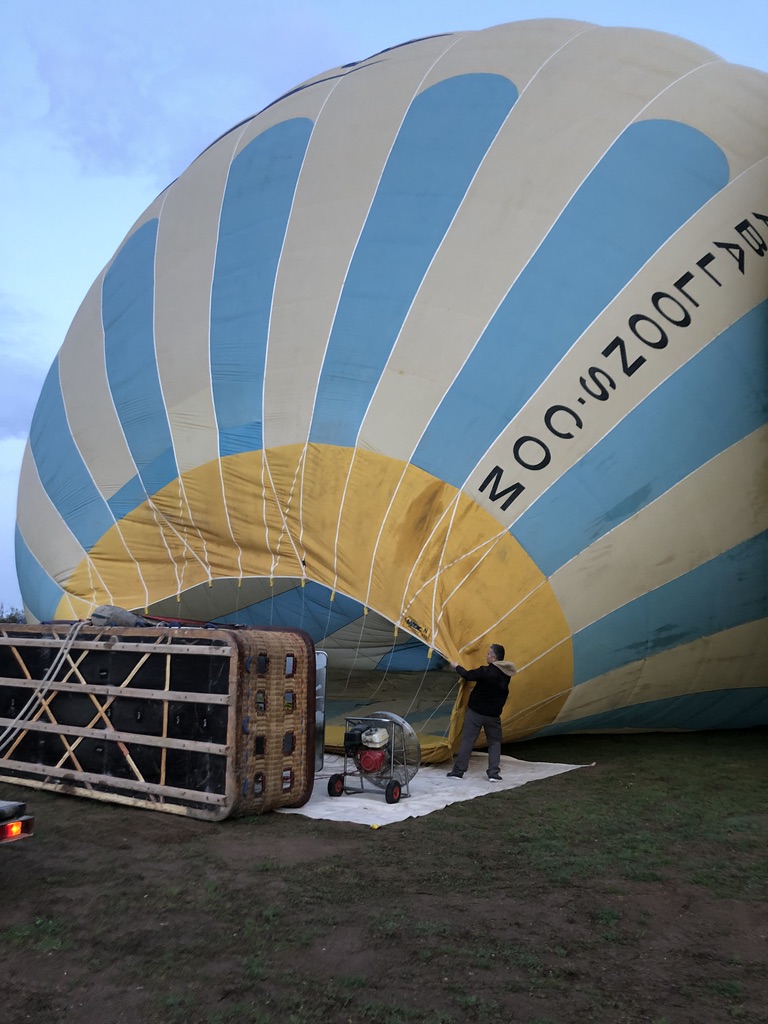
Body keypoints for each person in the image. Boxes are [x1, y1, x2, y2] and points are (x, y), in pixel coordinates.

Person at [446, 643, 517, 782]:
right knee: (495, 743)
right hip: (493, 716)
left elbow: (467, 675)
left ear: (494, 658)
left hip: (476, 712)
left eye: (489, 654)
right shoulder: (506, 675)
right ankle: (493, 773)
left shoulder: (485, 671)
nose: (487, 656)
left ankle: (458, 772)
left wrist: (456, 666)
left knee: (468, 740)